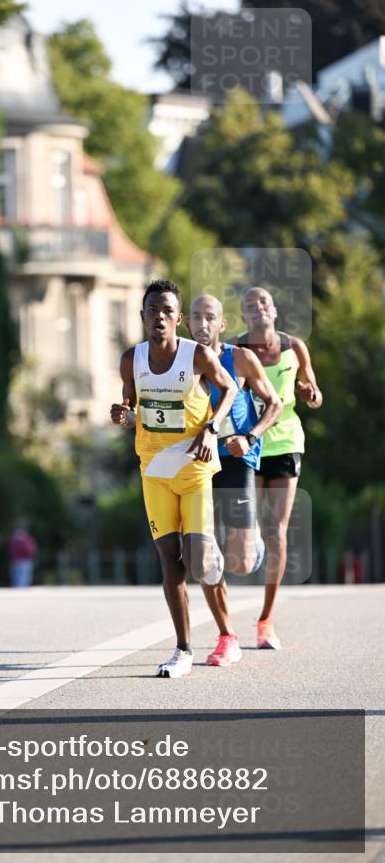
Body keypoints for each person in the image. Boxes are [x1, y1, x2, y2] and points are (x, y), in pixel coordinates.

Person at [111, 279, 237, 679]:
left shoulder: (196, 355)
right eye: (153, 311)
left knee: (198, 563)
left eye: (167, 311)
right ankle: (183, 649)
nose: (160, 317)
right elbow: (131, 405)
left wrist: (212, 428)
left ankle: (225, 624)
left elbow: (230, 389)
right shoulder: (132, 359)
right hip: (154, 472)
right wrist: (122, 413)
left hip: (195, 469)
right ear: (143, 316)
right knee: (171, 563)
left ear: (178, 318)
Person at [186, 294, 282, 666]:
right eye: (196, 316)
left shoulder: (239, 358)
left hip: (237, 460)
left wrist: (251, 437)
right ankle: (227, 636)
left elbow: (273, 403)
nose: (203, 323)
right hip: (197, 463)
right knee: (204, 558)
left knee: (240, 563)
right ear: (186, 322)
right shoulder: (179, 362)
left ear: (221, 325)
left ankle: (251, 543)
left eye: (210, 317)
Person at [230, 286, 323, 650]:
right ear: (244, 317)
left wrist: (309, 393)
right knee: (247, 527)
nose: (258, 309)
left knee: (276, 529)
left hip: (285, 442)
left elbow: (315, 395)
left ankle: (266, 619)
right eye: (250, 306)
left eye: (263, 303)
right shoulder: (235, 349)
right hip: (249, 443)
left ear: (274, 310)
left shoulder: (295, 347)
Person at [8, 519, 38, 588]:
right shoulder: (25, 538)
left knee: (17, 580)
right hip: (24, 561)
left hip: (16, 561)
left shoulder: (14, 538)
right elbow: (31, 549)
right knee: (23, 580)